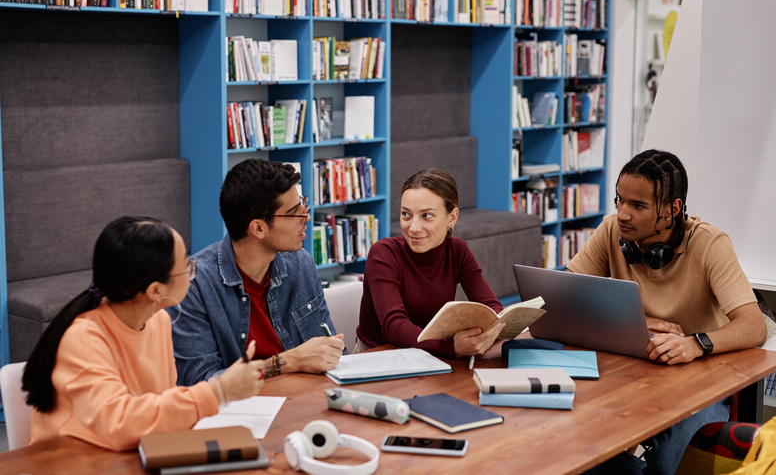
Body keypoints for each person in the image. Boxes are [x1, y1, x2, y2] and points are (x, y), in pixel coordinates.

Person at [569, 149, 767, 475]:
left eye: (638, 205)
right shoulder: (612, 230)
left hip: (700, 379)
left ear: (672, 209)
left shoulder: (710, 244)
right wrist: (642, 322)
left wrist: (695, 343)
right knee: (584, 447)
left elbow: (754, 326)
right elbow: (570, 296)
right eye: (619, 200)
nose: (622, 214)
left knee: (665, 465)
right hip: (633, 371)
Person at [23, 217, 265, 451]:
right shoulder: (83, 338)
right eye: (186, 266)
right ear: (156, 290)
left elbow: (162, 404)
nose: (194, 269)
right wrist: (219, 391)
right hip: (75, 461)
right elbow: (120, 424)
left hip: (131, 455)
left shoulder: (158, 321)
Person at [169, 159, 344, 386]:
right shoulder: (193, 285)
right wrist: (285, 363)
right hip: (240, 405)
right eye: (294, 212)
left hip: (305, 396)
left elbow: (331, 351)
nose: (306, 217)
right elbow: (199, 382)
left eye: (303, 204)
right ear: (258, 228)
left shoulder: (300, 263)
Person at [356, 168, 505, 358]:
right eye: (406, 214)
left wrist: (491, 330)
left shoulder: (458, 252)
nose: (414, 227)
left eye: (426, 216)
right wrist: (451, 348)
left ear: (452, 218)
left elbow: (491, 307)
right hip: (378, 356)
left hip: (431, 354)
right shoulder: (384, 253)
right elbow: (394, 326)